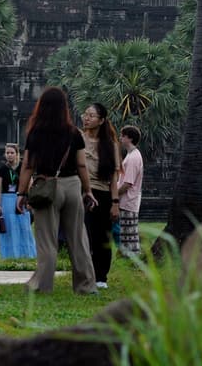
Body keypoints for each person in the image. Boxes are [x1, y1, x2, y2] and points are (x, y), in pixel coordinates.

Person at [16, 87, 97, 294]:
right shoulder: (74, 133)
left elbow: (27, 165)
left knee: (47, 240)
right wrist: (88, 191)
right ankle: (86, 285)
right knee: (78, 238)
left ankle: (43, 286)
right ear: (64, 108)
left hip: (47, 186)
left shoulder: (36, 133)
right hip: (72, 185)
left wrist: (21, 193)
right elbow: (81, 165)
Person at [81, 103, 122, 288]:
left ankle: (101, 277)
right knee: (83, 236)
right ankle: (85, 273)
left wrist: (115, 202)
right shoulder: (79, 138)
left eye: (91, 115)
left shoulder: (110, 144)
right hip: (81, 191)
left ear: (102, 120)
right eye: (86, 114)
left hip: (103, 193)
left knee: (102, 237)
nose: (86, 118)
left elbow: (113, 178)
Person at [0, 142, 35, 259]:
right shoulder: (2, 169)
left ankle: (27, 254)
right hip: (6, 200)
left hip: (21, 199)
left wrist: (29, 199)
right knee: (9, 228)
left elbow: (30, 183)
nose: (9, 155)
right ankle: (9, 256)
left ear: (17, 154)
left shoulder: (23, 167)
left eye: (12, 153)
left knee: (24, 226)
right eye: (7, 153)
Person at [117, 125, 144, 256]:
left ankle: (133, 258)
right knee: (127, 233)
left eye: (123, 135)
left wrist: (114, 195)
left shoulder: (133, 158)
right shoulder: (131, 155)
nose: (120, 138)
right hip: (128, 200)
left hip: (128, 199)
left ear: (130, 138)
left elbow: (128, 183)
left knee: (129, 235)